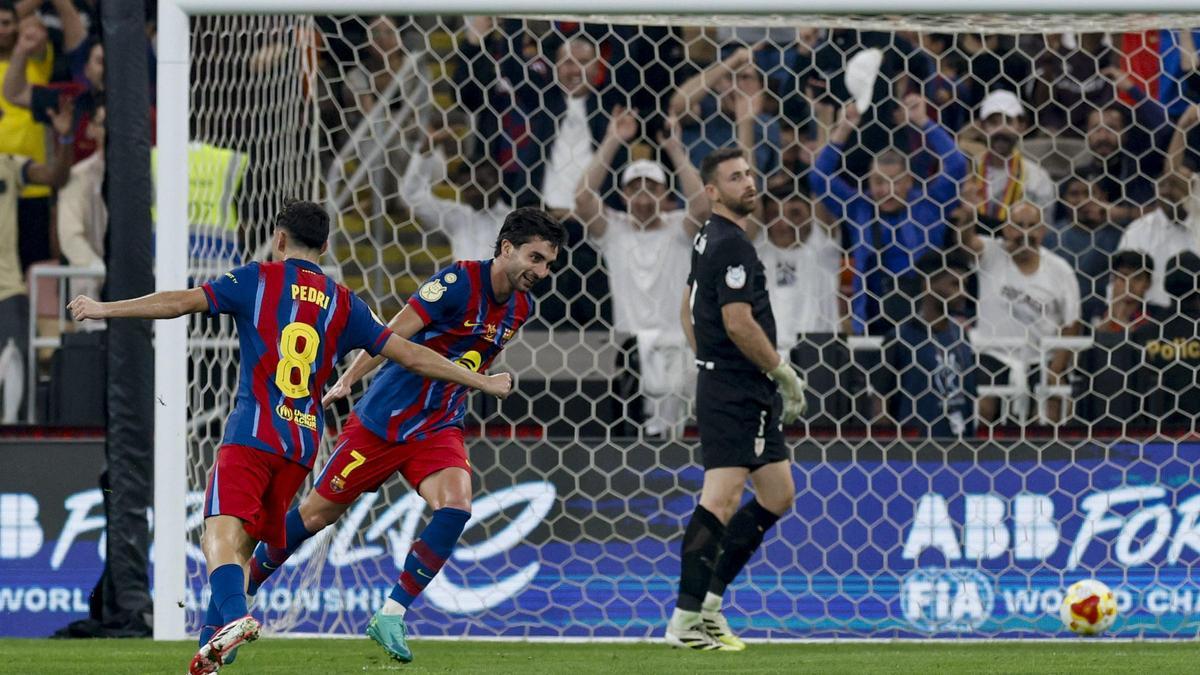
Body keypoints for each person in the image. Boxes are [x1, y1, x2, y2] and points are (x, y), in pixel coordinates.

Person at [66, 200, 514, 674]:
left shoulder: (256, 279)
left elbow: (179, 302)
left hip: (253, 433)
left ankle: (236, 620)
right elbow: (409, 354)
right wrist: (483, 381)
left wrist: (104, 308)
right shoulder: (346, 302)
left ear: (279, 240)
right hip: (301, 446)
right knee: (241, 550)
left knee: (218, 533)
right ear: (325, 247)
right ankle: (210, 658)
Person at [241, 208, 566, 664]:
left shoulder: (520, 308)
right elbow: (390, 334)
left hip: (438, 426)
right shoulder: (457, 283)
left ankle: (391, 613)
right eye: (535, 258)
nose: (541, 271)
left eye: (548, 264)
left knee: (456, 507)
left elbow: (470, 356)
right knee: (315, 516)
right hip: (384, 423)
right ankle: (244, 587)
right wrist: (350, 378)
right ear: (507, 248)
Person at [665, 147, 806, 651]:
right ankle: (684, 621)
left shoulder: (710, 237)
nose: (748, 182)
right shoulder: (730, 245)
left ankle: (708, 605)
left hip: (741, 385)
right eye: (734, 177)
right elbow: (737, 320)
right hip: (736, 389)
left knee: (777, 494)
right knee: (720, 500)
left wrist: (708, 358)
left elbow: (688, 305)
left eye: (748, 173)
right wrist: (780, 370)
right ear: (711, 190)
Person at [575, 109, 707, 437]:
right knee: (629, 435)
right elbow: (582, 199)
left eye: (653, 188)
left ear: (666, 195)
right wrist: (612, 140)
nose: (644, 196)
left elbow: (703, 207)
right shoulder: (614, 231)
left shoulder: (679, 228)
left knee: (674, 436)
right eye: (635, 188)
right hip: (629, 349)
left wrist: (675, 149)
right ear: (623, 195)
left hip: (678, 347)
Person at [810, 93, 967, 335]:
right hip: (872, 326)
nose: (886, 191)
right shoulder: (858, 207)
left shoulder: (930, 206)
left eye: (895, 182)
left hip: (925, 324)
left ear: (910, 181)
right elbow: (818, 178)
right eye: (878, 182)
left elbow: (957, 165)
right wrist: (843, 129)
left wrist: (924, 122)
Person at [958, 201, 1082, 424]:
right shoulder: (991, 253)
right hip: (992, 354)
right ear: (1005, 229)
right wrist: (968, 215)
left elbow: (1071, 323)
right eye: (1018, 225)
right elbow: (966, 244)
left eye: (1032, 225)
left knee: (1053, 409)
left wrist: (1056, 370)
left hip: (1041, 358)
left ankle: (1045, 459)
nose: (1025, 233)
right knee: (982, 405)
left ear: (1043, 231)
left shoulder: (1059, 269)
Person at [0, 99, 73, 423]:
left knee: (15, 360)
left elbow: (55, 176)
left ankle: (13, 437)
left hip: (7, 286)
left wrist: (66, 139)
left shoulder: (9, 164)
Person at [873, 251, 977, 437]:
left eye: (965, 285)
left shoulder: (961, 336)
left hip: (963, 450)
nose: (963, 293)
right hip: (916, 453)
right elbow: (880, 401)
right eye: (955, 284)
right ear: (928, 285)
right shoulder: (900, 338)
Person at [399, 125, 508, 262]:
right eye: (468, 187)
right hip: (462, 283)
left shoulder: (514, 222)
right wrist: (425, 152)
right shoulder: (457, 216)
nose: (475, 192)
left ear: (497, 180)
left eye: (481, 183)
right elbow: (412, 196)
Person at [670, 46, 782, 177]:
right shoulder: (702, 111)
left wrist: (745, 124)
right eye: (730, 77)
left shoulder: (768, 126)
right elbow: (676, 106)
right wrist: (733, 60)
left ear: (760, 86)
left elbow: (750, 186)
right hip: (696, 195)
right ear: (717, 84)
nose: (736, 85)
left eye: (746, 77)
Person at [754, 185, 842, 349]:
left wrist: (813, 162)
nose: (784, 223)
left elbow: (821, 184)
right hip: (768, 352)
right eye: (775, 214)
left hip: (818, 351)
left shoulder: (822, 248)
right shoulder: (758, 250)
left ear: (811, 216)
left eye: (795, 214)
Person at [969, 90, 1055, 226]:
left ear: (1021, 127)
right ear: (982, 127)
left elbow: (1043, 230)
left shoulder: (1038, 178)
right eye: (993, 123)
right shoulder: (968, 172)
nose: (1001, 129)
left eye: (1008, 122)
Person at [1118, 173, 1200, 310]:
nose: (1167, 191)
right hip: (1148, 319)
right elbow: (1119, 285)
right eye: (1162, 185)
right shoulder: (1138, 231)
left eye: (1175, 184)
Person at [1095, 250, 1153, 333]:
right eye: (1123, 277)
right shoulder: (1098, 311)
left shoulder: (1157, 315)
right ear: (1113, 279)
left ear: (1148, 284)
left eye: (1137, 278)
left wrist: (1123, 321)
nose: (1129, 285)